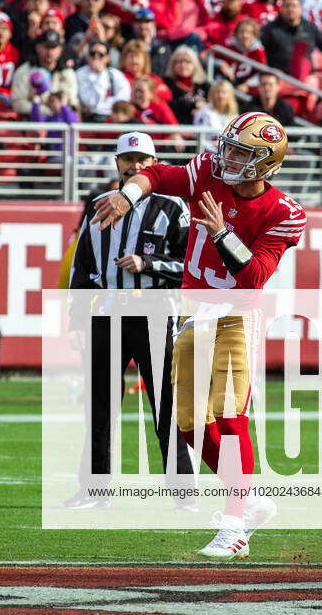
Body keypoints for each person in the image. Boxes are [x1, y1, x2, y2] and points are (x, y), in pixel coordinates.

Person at [92, 111, 305, 559]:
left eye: (241, 152)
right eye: (229, 146)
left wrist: (222, 233)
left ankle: (234, 526)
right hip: (193, 316)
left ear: (265, 162)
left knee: (229, 419)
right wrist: (129, 195)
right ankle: (250, 502)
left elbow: (255, 277)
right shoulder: (208, 171)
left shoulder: (283, 212)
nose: (228, 157)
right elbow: (155, 174)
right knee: (188, 424)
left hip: (235, 317)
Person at [65, 132, 193, 510]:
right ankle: (95, 491)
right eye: (128, 159)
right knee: (100, 405)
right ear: (117, 162)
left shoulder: (172, 207)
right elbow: (83, 264)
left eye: (143, 160)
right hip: (106, 312)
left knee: (166, 405)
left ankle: (183, 492)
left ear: (155, 163)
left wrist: (148, 264)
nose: (135, 166)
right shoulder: (98, 205)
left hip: (155, 312)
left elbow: (189, 267)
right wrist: (76, 316)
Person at [260, 0, 322, 79]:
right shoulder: (269, 29)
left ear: (301, 8)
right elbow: (260, 54)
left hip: (305, 79)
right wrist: (268, 72)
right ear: (281, 9)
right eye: (287, 6)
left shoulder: (310, 28)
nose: (290, 9)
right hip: (278, 79)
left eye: (294, 6)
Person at [10, 30, 78, 116]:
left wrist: (63, 109)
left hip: (61, 122)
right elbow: (18, 104)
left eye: (53, 47)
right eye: (46, 47)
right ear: (38, 48)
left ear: (60, 50)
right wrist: (46, 111)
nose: (50, 52)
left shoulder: (67, 72)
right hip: (32, 122)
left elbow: (73, 103)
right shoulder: (25, 71)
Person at [76, 40, 130, 121]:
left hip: (109, 119)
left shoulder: (114, 74)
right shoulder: (79, 74)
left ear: (107, 58)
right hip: (86, 119)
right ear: (88, 56)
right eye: (93, 53)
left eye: (100, 55)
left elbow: (124, 96)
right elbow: (89, 101)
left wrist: (104, 107)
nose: (96, 57)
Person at [163, 45, 210, 125]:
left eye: (187, 61)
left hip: (202, 130)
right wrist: (194, 105)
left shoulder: (204, 85)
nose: (183, 65)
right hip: (176, 129)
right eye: (179, 62)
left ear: (195, 64)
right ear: (172, 65)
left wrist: (204, 108)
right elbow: (167, 107)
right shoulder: (166, 83)